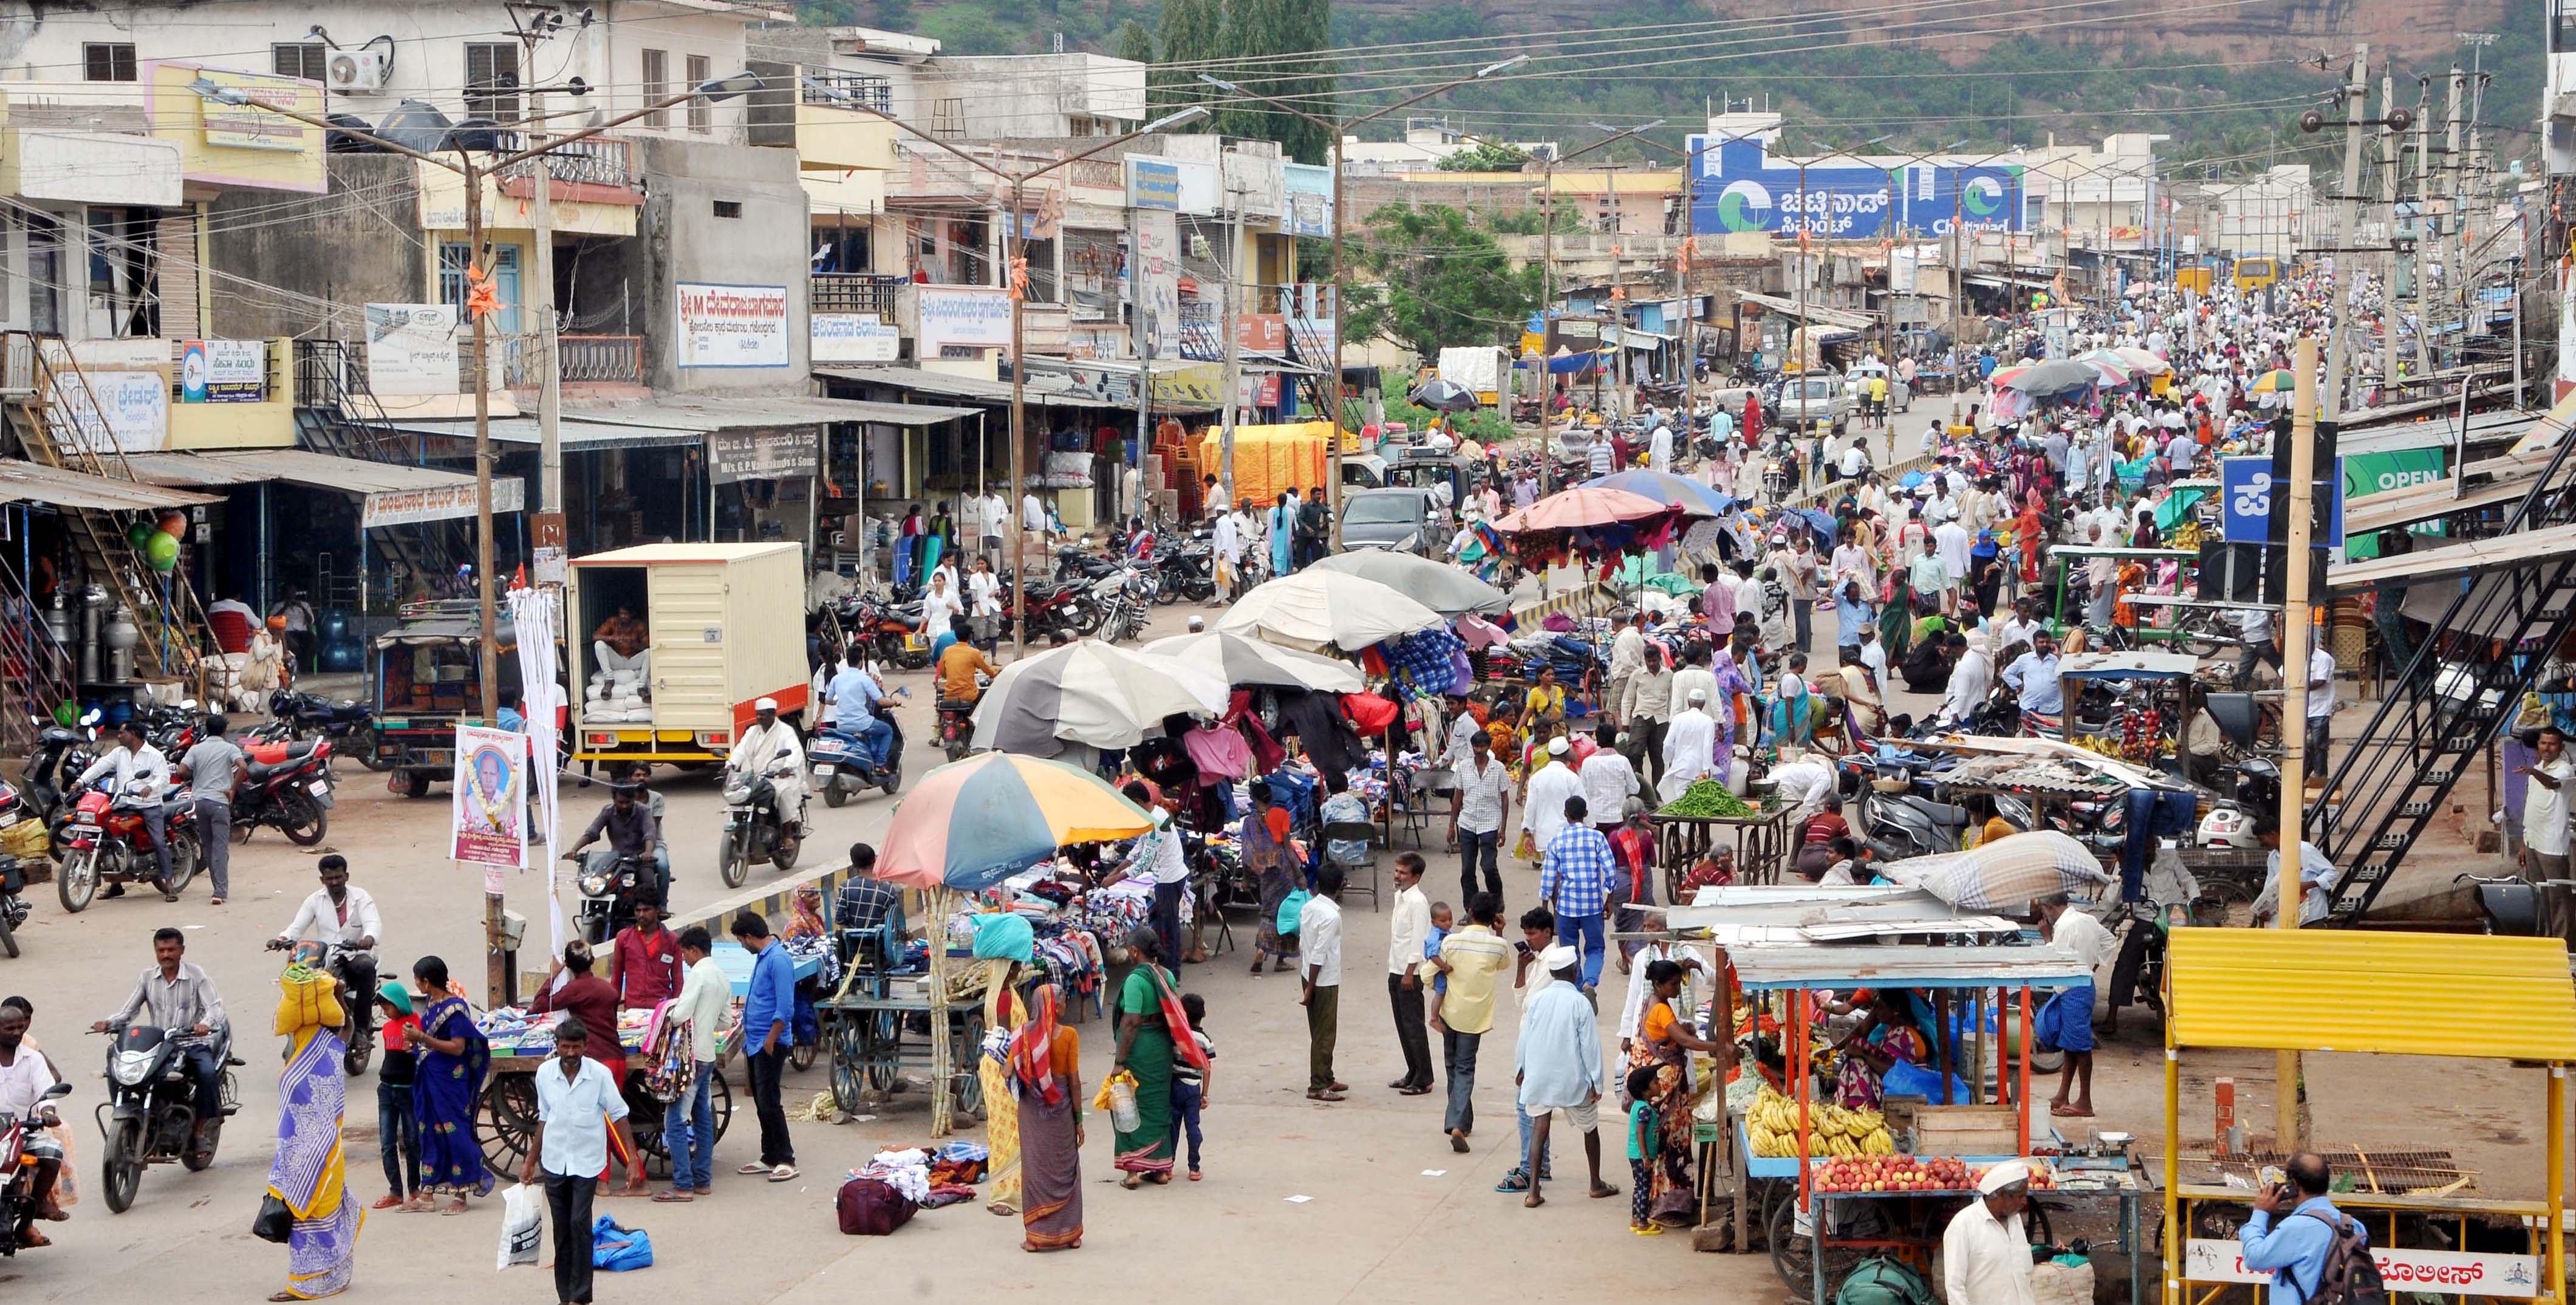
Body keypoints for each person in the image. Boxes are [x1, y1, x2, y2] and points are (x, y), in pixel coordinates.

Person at [520, 1016, 637, 1305]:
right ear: (557, 1046)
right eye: (565, 1047)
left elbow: (619, 1114)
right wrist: (530, 1161)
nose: (570, 1053)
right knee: (561, 1228)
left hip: (587, 1161)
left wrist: (633, 1159)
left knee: (579, 1223)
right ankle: (565, 1296)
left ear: (586, 1046)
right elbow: (544, 1118)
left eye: (576, 1047)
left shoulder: (599, 1075)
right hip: (555, 1160)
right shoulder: (545, 1074)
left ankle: (581, 1296)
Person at [266, 953, 361, 1301]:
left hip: (312, 1153)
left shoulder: (326, 1052)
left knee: (308, 1214)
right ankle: (333, 1274)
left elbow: (343, 1025)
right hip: (324, 1151)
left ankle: (303, 1285)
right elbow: (345, 1026)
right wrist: (338, 1000)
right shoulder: (329, 1049)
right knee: (323, 1210)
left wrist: (337, 997)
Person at [522, 940, 650, 1197]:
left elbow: (537, 1006)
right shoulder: (608, 990)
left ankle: (638, 1181)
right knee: (602, 1119)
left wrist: (552, 975)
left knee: (610, 1121)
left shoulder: (574, 990)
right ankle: (601, 1181)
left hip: (596, 1061)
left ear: (568, 965)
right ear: (592, 962)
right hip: (615, 1056)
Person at [98, 927, 228, 1146]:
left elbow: (215, 1009)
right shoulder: (147, 977)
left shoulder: (197, 975)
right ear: (155, 951)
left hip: (191, 1043)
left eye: (171, 950)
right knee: (116, 1059)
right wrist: (110, 1023)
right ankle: (127, 1109)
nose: (166, 955)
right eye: (161, 950)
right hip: (159, 1045)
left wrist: (204, 1025)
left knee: (206, 1072)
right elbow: (129, 1011)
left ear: (182, 951)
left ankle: (199, 1130)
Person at [1514, 944, 1616, 1209]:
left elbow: (1525, 1037)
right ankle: (1595, 1183)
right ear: (1574, 971)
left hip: (1539, 1076)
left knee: (1540, 1127)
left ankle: (1534, 1191)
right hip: (1572, 1078)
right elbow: (1590, 1046)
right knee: (1590, 1128)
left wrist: (1520, 1069)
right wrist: (1597, 1081)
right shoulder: (1580, 1003)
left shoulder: (1537, 1000)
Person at [1625, 959, 1724, 1230]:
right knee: (1672, 1145)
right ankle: (1666, 1206)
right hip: (1663, 1085)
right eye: (1673, 984)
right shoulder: (1660, 1010)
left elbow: (1673, 1036)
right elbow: (1686, 1042)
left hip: (1659, 1081)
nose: (1678, 989)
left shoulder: (1653, 1002)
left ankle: (1664, 1203)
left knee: (1671, 1143)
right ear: (1658, 984)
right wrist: (1721, 1046)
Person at [1113, 926, 1209, 1180]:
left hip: (1139, 1047)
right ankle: (1160, 1169)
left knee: (1130, 1104)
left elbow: (1132, 1021)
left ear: (1134, 951)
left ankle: (1133, 1171)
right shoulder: (1166, 976)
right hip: (1162, 1049)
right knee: (1158, 1105)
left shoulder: (1136, 980)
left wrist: (1120, 1061)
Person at [1426, 892, 1511, 1154]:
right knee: (1464, 1068)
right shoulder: (1498, 946)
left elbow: (1429, 971)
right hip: (1475, 1017)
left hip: (1450, 1011)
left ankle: (1461, 1120)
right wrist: (1499, 933)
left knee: (1453, 1065)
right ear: (1495, 917)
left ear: (1470, 913)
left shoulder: (1451, 942)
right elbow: (1504, 964)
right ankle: (1458, 1124)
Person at [407, 956, 491, 1213]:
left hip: (450, 1081)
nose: (417, 985)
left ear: (426, 982)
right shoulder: (432, 1004)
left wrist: (421, 1037)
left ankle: (461, 1194)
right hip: (431, 1078)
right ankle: (428, 1192)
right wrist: (415, 1042)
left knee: (455, 1133)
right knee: (429, 1132)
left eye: (418, 980)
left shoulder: (455, 1009)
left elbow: (458, 1048)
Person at [1009, 976, 1085, 1250]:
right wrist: (1079, 1120)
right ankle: (1071, 1234)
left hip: (1031, 1112)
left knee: (1036, 1167)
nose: (1066, 1003)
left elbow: (1008, 1072)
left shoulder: (1022, 1036)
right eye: (1063, 1000)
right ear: (1055, 1006)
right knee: (1065, 1167)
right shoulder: (1069, 1037)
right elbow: (1074, 1082)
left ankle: (1036, 1238)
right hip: (1061, 1109)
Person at [652, 927, 725, 1202]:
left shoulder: (698, 975)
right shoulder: (720, 975)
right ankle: (703, 1180)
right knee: (703, 1116)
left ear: (695, 951)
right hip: (707, 1055)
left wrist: (666, 1015)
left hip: (689, 1058)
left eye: (684, 953)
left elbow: (681, 1013)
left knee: (675, 1120)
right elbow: (725, 1021)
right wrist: (704, 1024)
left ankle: (683, 1184)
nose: (683, 958)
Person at [971, 912, 1036, 1215]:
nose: (1021, 969)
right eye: (1017, 965)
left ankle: (1012, 1190)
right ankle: (1001, 1196)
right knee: (1008, 1131)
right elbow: (1010, 1041)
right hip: (1003, 1069)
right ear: (1009, 967)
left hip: (997, 1066)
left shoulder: (999, 993)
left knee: (1005, 1129)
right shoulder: (1006, 1000)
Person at [2240, 1153, 2365, 1305]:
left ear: (2294, 1185)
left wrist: (2260, 1213)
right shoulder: (2354, 1226)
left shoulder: (2296, 1228)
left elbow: (2254, 1257)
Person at [731, 909, 798, 1182]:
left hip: (770, 1042)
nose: (741, 946)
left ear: (749, 937)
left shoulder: (779, 960)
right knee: (761, 1101)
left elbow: (785, 1007)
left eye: (740, 941)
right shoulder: (764, 958)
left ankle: (786, 1158)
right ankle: (769, 1155)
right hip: (756, 1041)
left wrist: (771, 1039)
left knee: (770, 1101)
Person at [2035, 894, 2114, 1117]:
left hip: (2073, 989)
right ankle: (2063, 1094)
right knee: (2070, 1044)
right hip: (2081, 983)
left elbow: (2056, 960)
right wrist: (2091, 966)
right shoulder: (2087, 920)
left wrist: (2047, 937)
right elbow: (2109, 941)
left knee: (2079, 1046)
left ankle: (2085, 1102)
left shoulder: (2064, 927)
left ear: (2049, 907)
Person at [76, 721, 173, 894]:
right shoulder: (119, 753)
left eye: (121, 733)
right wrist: (81, 781)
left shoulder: (154, 755)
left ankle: (169, 884)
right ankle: (116, 884)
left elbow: (164, 778)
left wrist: (150, 787)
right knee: (109, 835)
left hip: (149, 805)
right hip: (124, 803)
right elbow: (100, 766)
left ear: (133, 734)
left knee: (159, 842)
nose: (118, 736)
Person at [0, 1003, 65, 1241]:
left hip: (22, 1133)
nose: (17, 1032)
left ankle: (31, 1214)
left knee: (53, 1152)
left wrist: (47, 1112)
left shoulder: (33, 1059)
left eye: (20, 1027)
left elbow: (46, 1091)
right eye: (10, 1028)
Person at [1539, 795, 1615, 993]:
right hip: (1593, 906)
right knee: (1596, 949)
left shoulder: (1557, 841)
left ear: (1566, 815)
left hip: (1566, 908)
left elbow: (1548, 878)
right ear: (1586, 814)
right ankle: (1590, 982)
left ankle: (1579, 989)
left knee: (1570, 952)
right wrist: (1610, 899)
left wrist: (1545, 908)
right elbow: (1610, 870)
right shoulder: (1597, 838)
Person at [1942, 1159, 2039, 1305]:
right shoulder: (1963, 1226)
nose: (2024, 1202)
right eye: (2020, 1196)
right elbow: (1955, 1288)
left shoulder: (2015, 1220)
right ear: (2001, 1195)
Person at [174, 713, 244, 905]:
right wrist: (232, 789)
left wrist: (195, 776)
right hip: (219, 802)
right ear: (224, 731)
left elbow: (181, 771)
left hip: (201, 803)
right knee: (220, 848)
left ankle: (217, 886)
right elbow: (243, 766)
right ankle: (220, 891)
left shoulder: (196, 749)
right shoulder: (230, 748)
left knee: (209, 845)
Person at [567, 780, 666, 906]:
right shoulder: (607, 811)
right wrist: (574, 850)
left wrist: (648, 852)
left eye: (628, 802)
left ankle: (654, 912)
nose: (624, 806)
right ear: (614, 799)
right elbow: (592, 832)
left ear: (634, 799)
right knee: (598, 881)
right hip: (616, 859)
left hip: (640, 859)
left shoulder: (644, 811)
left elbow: (650, 834)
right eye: (621, 802)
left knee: (648, 883)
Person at [1385, 852, 1435, 1096]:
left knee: (1414, 1027)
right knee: (1402, 1026)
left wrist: (1409, 972)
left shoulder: (1418, 902)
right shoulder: (1400, 898)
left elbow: (1419, 941)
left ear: (1416, 877)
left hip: (1409, 973)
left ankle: (1424, 1078)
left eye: (1404, 873)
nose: (1398, 876)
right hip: (1395, 969)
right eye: (1397, 871)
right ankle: (1412, 1071)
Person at [1297, 867, 1348, 1102]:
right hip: (1323, 979)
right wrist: (1312, 988)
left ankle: (1326, 1076)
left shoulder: (1309, 907)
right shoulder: (1331, 916)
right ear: (1340, 887)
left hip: (1309, 973)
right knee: (1325, 1034)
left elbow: (1305, 944)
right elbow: (1320, 951)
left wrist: (1308, 982)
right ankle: (1318, 1084)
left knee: (1319, 1030)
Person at [373, 982, 423, 1211]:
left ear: (398, 1004)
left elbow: (423, 1055)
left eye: (387, 1006)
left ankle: (415, 1189)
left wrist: (414, 1048)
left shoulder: (416, 1024)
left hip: (408, 1089)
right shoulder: (387, 1029)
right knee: (387, 1143)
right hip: (386, 1089)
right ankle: (395, 1191)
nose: (384, 1011)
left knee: (413, 1141)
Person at [1242, 779, 1301, 975]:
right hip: (1284, 870)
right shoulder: (1281, 815)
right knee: (1286, 912)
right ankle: (1281, 960)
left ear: (1253, 799)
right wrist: (1299, 874)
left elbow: (1246, 851)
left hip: (1265, 872)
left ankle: (1261, 950)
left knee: (1269, 912)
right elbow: (1287, 847)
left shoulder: (1250, 822)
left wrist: (1246, 878)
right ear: (1271, 797)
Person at [726, 698, 808, 838]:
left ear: (773, 715)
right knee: (740, 796)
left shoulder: (785, 731)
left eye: (762, 715)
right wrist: (730, 765)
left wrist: (787, 768)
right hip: (755, 777)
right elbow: (741, 749)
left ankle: (787, 835)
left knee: (783, 794)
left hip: (778, 777)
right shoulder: (752, 731)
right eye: (757, 714)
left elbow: (795, 751)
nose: (759, 718)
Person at [2523, 727, 2575, 944]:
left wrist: (2535, 773)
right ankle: (2545, 940)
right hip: (2533, 842)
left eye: (2552, 744)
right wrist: (2523, 845)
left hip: (2552, 845)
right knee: (2539, 897)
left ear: (2561, 747)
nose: (2547, 748)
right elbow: (2531, 807)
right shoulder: (2537, 768)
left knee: (2559, 899)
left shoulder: (2565, 770)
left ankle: (2565, 944)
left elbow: (2553, 784)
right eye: (2543, 743)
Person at [1450, 729, 1512, 908]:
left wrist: (1503, 828)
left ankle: (1496, 900)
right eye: (1476, 746)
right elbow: (1458, 797)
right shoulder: (1464, 767)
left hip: (1490, 823)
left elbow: (1505, 798)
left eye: (1482, 746)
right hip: (1467, 822)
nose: (1478, 750)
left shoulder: (1498, 768)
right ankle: (1471, 909)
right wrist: (1451, 826)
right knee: (1467, 870)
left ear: (1488, 747)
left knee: (1488, 867)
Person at [601, 896, 682, 1010]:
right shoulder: (624, 938)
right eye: (638, 911)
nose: (641, 915)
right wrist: (612, 1011)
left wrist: (675, 1009)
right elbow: (616, 978)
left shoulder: (672, 940)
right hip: (633, 1009)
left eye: (646, 910)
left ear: (658, 910)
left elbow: (678, 980)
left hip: (662, 1008)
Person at [1169, 992, 1213, 1180]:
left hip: (1175, 1086)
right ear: (1203, 1014)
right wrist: (1204, 1094)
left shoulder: (1177, 1036)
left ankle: (1168, 1166)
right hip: (1193, 1089)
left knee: (1172, 1126)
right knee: (1193, 1127)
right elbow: (1207, 1069)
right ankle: (1194, 1168)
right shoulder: (1206, 1041)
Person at [1521, 738, 1583, 862]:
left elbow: (1530, 808)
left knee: (1550, 874)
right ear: (1567, 755)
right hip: (1569, 837)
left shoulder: (1536, 778)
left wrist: (1528, 834)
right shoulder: (1572, 778)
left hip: (1544, 837)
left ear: (1549, 755)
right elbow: (1582, 807)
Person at [2002, 631, 2064, 735]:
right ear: (2034, 643)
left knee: (2053, 741)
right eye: (2041, 642)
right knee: (2029, 741)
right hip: (2030, 709)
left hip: (2053, 709)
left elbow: (2066, 674)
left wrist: (2059, 656)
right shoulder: (2024, 659)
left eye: (2047, 642)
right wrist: (2019, 684)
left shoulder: (2056, 660)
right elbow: (2007, 674)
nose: (2045, 645)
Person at [590, 604, 648, 677]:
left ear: (632, 615)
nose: (623, 616)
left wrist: (633, 643)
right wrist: (613, 638)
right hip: (617, 660)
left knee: (649, 652)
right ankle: (609, 677)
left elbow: (647, 646)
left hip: (632, 661)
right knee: (599, 644)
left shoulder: (639, 625)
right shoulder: (613, 622)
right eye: (621, 613)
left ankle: (642, 684)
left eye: (626, 614)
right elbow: (595, 637)